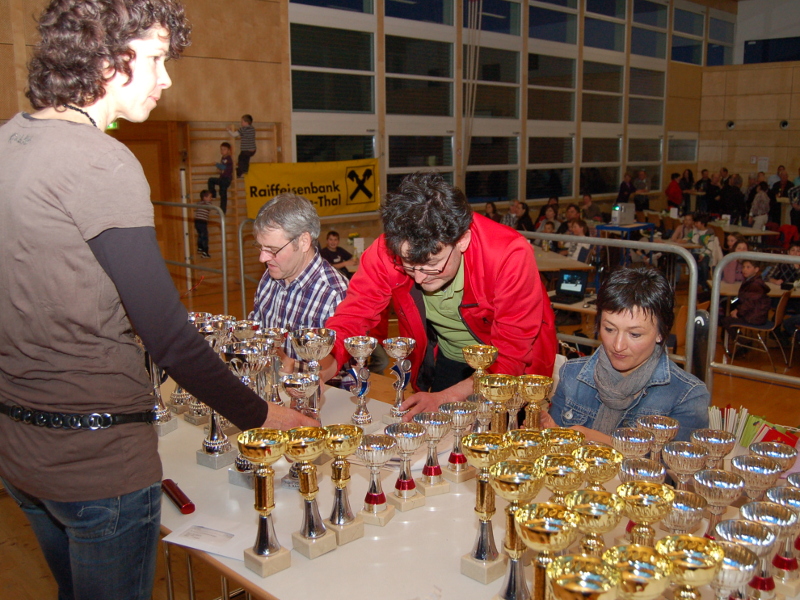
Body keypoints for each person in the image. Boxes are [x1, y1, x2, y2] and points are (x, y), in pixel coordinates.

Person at [0, 3, 316, 599]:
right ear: (103, 56)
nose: (166, 78)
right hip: (98, 463)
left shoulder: (10, 139)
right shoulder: (99, 159)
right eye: (155, 58)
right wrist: (262, 414)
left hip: (21, 451)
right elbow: (169, 337)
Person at [322, 172, 558, 419]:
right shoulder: (387, 250)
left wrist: (445, 397)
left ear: (462, 240)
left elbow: (511, 354)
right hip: (450, 357)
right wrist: (324, 367)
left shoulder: (508, 254)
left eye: (432, 265)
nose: (419, 279)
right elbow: (354, 314)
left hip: (511, 367)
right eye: (409, 266)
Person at [543, 266, 710, 443]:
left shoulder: (687, 396)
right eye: (609, 329)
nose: (618, 345)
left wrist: (600, 441)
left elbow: (674, 460)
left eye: (635, 334)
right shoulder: (571, 374)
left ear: (661, 333)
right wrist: (550, 432)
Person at [249, 194, 349, 361]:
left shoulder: (334, 295)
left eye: (272, 250)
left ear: (303, 241)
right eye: (261, 248)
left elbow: (337, 368)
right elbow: (256, 330)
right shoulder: (269, 276)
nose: (263, 258)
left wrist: (290, 367)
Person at [720, 259, 771, 357]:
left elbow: (749, 303)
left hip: (754, 317)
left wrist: (738, 312)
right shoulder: (751, 281)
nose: (744, 270)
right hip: (754, 314)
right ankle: (741, 341)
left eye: (748, 267)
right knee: (728, 306)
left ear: (756, 269)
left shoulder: (755, 284)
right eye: (743, 267)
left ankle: (744, 343)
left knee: (726, 321)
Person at [227, 113, 256, 177]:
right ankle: (245, 170)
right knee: (246, 159)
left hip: (246, 150)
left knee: (241, 159)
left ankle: (239, 172)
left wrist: (229, 130)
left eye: (242, 122)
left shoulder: (242, 129)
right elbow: (247, 136)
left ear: (246, 122)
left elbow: (234, 135)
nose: (241, 123)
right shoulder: (252, 129)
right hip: (253, 150)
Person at [208, 141, 233, 214]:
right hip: (223, 178)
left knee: (211, 180)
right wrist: (219, 170)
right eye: (221, 149)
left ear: (229, 150)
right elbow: (224, 168)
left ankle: (213, 195)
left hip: (226, 179)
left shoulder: (228, 158)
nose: (222, 151)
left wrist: (217, 164)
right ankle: (222, 211)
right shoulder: (223, 158)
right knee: (223, 195)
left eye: (224, 149)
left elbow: (224, 167)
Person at [195, 189, 212, 258]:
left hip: (197, 221)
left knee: (200, 235)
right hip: (202, 221)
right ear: (205, 198)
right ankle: (205, 251)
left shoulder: (199, 203)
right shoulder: (208, 204)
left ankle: (200, 247)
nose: (211, 199)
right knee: (204, 236)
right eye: (210, 197)